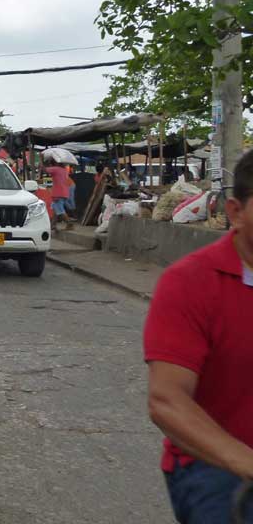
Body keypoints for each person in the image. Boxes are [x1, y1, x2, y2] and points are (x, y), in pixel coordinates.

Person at [145, 148, 253, 523]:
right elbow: (168, 400)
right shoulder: (191, 283)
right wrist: (246, 462)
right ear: (236, 212)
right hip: (217, 464)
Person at [45, 162, 72, 229]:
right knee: (55, 210)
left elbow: (45, 170)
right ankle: (53, 225)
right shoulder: (64, 170)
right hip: (64, 192)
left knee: (60, 210)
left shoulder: (56, 169)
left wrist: (42, 161)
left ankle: (69, 223)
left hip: (58, 193)